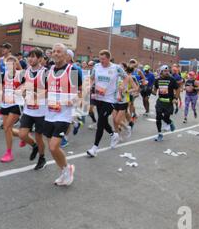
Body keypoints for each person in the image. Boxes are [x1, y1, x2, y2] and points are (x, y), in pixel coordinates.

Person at [44, 43, 81, 186]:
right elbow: (47, 90)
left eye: (59, 51)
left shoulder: (73, 70)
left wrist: (74, 99)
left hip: (64, 115)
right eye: (53, 51)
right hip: (49, 114)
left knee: (54, 146)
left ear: (65, 55)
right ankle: (66, 170)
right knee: (51, 148)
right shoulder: (49, 70)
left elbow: (82, 91)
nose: (56, 53)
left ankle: (67, 170)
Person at [86, 50, 126, 158]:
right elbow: (91, 78)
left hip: (109, 99)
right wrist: (89, 85)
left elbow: (126, 77)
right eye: (100, 59)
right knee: (103, 122)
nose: (101, 61)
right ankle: (114, 135)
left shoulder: (116, 68)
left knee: (100, 123)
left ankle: (94, 148)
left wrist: (123, 85)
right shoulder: (97, 67)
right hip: (98, 97)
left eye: (103, 59)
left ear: (108, 58)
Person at [18, 48, 47, 170]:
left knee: (39, 136)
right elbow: (23, 86)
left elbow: (49, 90)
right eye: (29, 56)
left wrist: (37, 95)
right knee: (22, 134)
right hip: (28, 109)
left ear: (40, 59)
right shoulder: (26, 71)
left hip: (41, 111)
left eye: (33, 56)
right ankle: (34, 146)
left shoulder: (46, 72)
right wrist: (21, 92)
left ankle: (42, 158)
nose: (30, 59)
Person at [0, 56, 23, 163]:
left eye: (12, 63)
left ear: (16, 65)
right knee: (7, 128)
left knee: (7, 128)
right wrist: (0, 100)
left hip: (16, 104)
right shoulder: (4, 75)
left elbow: (29, 86)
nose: (9, 66)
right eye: (7, 64)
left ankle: (9, 153)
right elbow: (2, 88)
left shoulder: (20, 74)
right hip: (5, 104)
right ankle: (24, 136)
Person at [152, 65, 179, 142]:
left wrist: (175, 98)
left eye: (168, 71)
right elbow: (154, 91)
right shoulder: (157, 80)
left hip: (169, 102)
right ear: (161, 72)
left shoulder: (172, 80)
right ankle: (160, 134)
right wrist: (149, 89)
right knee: (158, 117)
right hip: (160, 101)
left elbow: (178, 89)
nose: (167, 72)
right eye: (165, 71)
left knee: (166, 118)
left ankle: (170, 122)